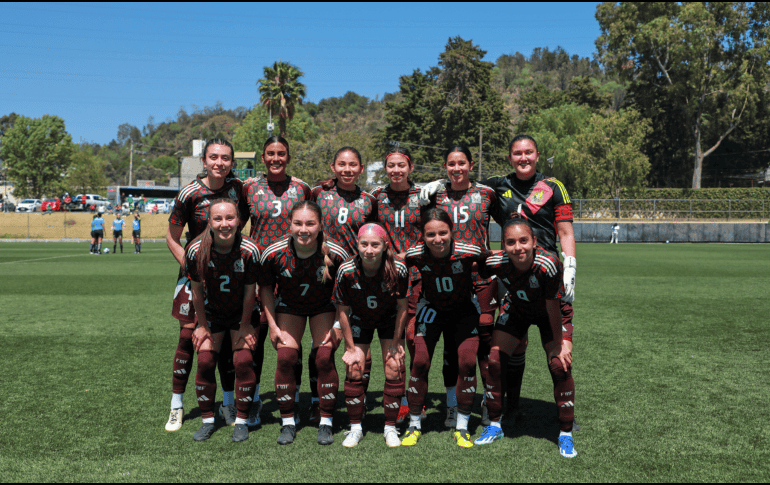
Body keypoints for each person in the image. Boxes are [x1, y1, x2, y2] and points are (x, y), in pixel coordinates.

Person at [421, 134, 577, 426]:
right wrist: (436, 185)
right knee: (515, 343)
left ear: (537, 155)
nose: (523, 158)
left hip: (547, 272)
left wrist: (570, 267)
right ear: (509, 158)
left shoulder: (553, 186)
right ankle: (511, 405)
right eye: (517, 153)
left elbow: (566, 232)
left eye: (528, 152)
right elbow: (462, 183)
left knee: (555, 345)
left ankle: (564, 412)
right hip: (510, 272)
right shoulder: (496, 186)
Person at [165, 137, 250, 432]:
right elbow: (172, 237)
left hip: (229, 277)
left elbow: (239, 225)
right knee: (189, 337)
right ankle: (176, 404)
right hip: (196, 277)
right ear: (204, 161)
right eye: (214, 157)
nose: (220, 163)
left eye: (226, 158)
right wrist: (191, 269)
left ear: (231, 162)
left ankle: (227, 403)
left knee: (226, 339)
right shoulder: (189, 193)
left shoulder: (238, 190)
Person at [474, 217, 577, 458]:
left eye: (523, 241)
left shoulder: (548, 263)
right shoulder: (497, 260)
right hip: (517, 308)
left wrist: (558, 345)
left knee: (559, 365)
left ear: (534, 241)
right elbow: (474, 263)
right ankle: (496, 425)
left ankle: (565, 433)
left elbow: (554, 307)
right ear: (503, 245)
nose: (517, 247)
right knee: (495, 361)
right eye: (510, 242)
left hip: (551, 312)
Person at [259, 201, 349, 446]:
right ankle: (288, 421)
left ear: (320, 226)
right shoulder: (274, 252)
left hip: (324, 307)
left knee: (323, 357)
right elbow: (265, 288)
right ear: (289, 224)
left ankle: (326, 421)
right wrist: (273, 326)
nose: (304, 229)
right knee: (286, 356)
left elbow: (348, 292)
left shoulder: (336, 254)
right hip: (289, 307)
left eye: (310, 223)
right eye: (298, 223)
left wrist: (339, 326)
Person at [401, 208, 490, 449]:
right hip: (431, 309)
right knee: (419, 361)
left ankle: (462, 427)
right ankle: (414, 425)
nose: (437, 239)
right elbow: (395, 260)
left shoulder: (468, 250)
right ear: (422, 236)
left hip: (463, 310)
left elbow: (492, 261)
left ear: (452, 232)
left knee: (467, 362)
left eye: (443, 233)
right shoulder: (415, 254)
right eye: (430, 234)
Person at [425, 144, 499, 428]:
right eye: (450, 163)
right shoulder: (436, 195)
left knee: (484, 346)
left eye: (461, 163)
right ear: (445, 166)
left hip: (480, 280)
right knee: (450, 348)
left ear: (471, 164)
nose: (456, 168)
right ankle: (452, 405)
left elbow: (512, 224)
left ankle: (487, 403)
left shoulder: (486, 194)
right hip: (445, 280)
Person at [243, 135, 313, 427]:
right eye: (270, 153)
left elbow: (312, 223)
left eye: (281, 153)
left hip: (292, 272)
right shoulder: (248, 188)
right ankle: (254, 399)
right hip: (260, 271)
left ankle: (293, 400)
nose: (275, 158)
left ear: (288, 156)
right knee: (256, 338)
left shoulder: (302, 188)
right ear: (263, 157)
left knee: (290, 343)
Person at [310, 146, 377, 423]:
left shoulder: (369, 201)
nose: (347, 169)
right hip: (324, 278)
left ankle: (357, 399)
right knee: (323, 345)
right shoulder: (317, 194)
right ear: (333, 167)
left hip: (357, 281)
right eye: (342, 164)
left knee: (363, 345)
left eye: (353, 165)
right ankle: (318, 401)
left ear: (361, 168)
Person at [185, 198, 261, 442]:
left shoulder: (249, 249)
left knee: (243, 361)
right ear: (210, 222)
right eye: (218, 219)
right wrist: (203, 325)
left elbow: (251, 291)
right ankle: (208, 420)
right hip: (213, 314)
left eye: (230, 218)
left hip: (243, 314)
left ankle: (241, 420)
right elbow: (196, 291)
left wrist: (245, 325)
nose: (224, 224)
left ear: (238, 221)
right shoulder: (196, 250)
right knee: (206, 361)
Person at [333, 223, 409, 447]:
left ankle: (390, 428)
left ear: (385, 246)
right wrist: (350, 348)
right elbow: (343, 312)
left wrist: (396, 342)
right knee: (355, 367)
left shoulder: (399, 269)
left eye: (375, 244)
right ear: (356, 244)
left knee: (394, 366)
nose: (369, 250)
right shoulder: (346, 270)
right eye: (363, 244)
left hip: (388, 320)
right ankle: (355, 427)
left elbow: (403, 307)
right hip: (359, 320)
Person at [370, 146, 427, 424]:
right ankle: (397, 398)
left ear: (410, 168)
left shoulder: (424, 197)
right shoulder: (376, 197)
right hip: (384, 278)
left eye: (401, 166)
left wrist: (410, 254)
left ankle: (415, 398)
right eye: (390, 165)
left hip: (417, 275)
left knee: (414, 338)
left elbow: (435, 232)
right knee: (391, 337)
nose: (396, 170)